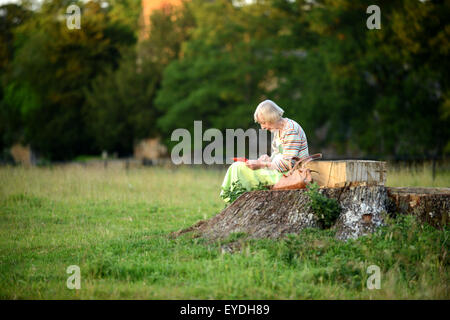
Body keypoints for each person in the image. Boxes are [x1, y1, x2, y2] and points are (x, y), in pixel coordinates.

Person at [220, 100, 309, 203]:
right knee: (238, 166)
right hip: (279, 172)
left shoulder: (290, 130)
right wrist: (268, 159)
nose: (262, 127)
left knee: (238, 169)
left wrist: (261, 165)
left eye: (263, 122)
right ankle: (236, 200)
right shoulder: (279, 130)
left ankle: (235, 200)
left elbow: (286, 164)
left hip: (289, 175)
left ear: (272, 118)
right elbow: (278, 154)